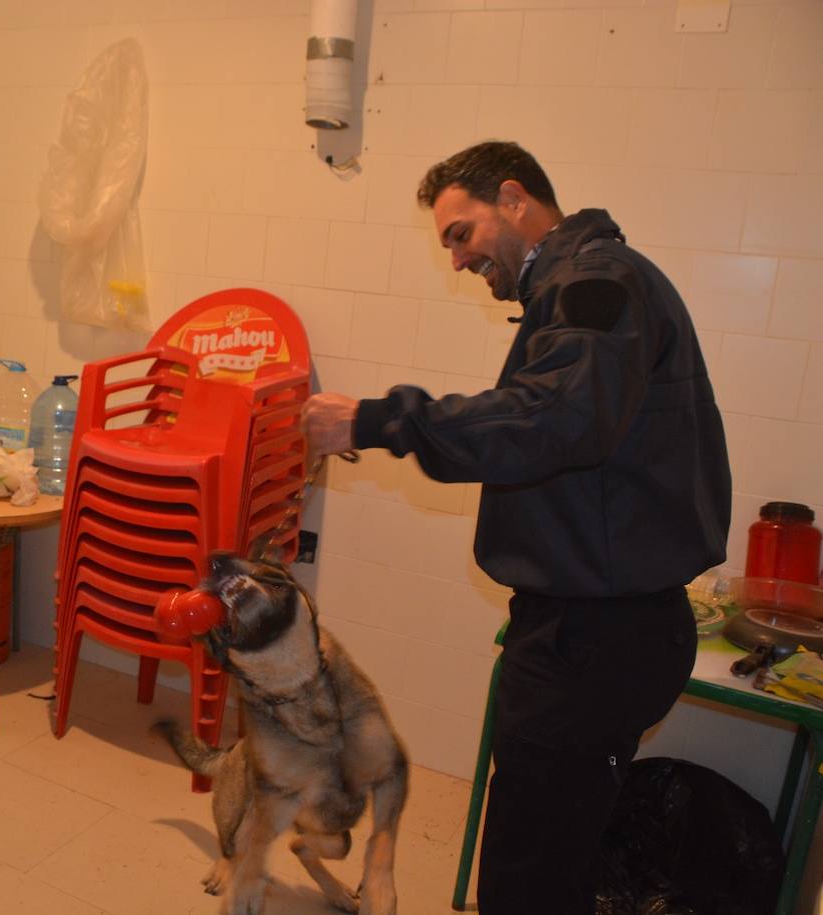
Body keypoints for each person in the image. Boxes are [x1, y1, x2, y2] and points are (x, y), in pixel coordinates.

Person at [301, 140, 731, 914]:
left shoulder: (598, 283)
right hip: (591, 630)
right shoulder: (578, 288)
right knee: (547, 854)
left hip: (598, 640)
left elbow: (552, 418)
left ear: (512, 198)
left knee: (528, 875)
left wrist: (377, 418)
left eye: (460, 234)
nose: (459, 260)